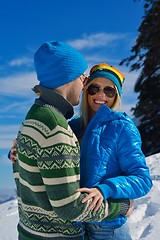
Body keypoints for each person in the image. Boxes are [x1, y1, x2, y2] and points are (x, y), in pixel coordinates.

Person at [11, 42, 132, 240]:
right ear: (68, 78)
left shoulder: (33, 118)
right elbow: (69, 207)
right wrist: (122, 207)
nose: (84, 84)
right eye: (84, 78)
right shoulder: (56, 128)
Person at [69, 62, 153, 239]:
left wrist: (105, 189)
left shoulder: (122, 127)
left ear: (116, 96)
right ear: (86, 90)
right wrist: (17, 150)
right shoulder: (73, 126)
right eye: (95, 88)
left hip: (108, 229)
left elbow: (142, 179)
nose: (101, 95)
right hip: (76, 227)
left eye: (109, 90)